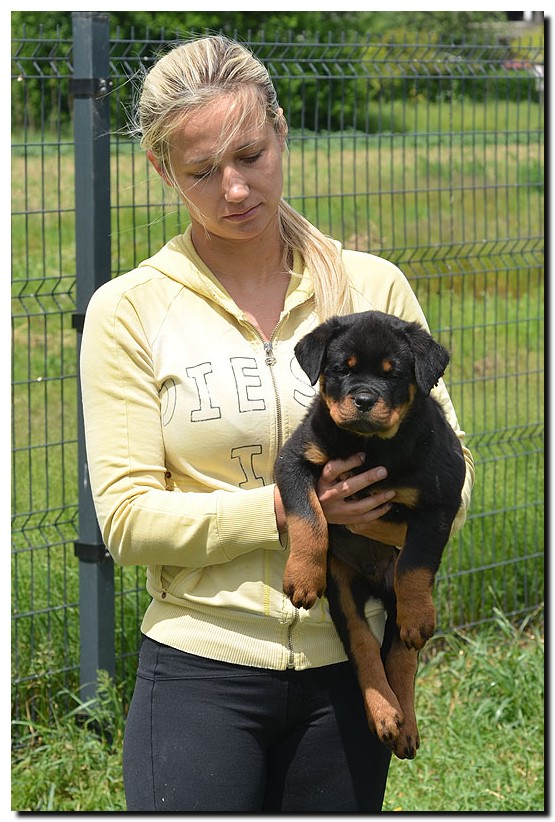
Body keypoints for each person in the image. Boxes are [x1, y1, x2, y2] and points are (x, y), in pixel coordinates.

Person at [80, 34, 474, 813]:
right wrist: (288, 514)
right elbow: (124, 520)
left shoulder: (369, 286)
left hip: (347, 668)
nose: (234, 188)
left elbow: (452, 469)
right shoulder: (130, 308)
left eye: (250, 154)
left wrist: (398, 537)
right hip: (200, 666)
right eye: (200, 170)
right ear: (162, 170)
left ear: (281, 133)